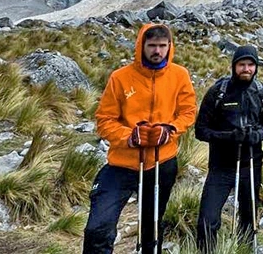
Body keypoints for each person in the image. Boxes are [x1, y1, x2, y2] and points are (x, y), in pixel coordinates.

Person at [83, 23, 197, 254]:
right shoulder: (120, 78)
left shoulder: (179, 75)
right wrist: (130, 137)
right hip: (122, 163)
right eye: (152, 45)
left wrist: (169, 130)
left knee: (153, 227)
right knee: (98, 228)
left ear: (169, 46)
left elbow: (188, 112)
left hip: (161, 162)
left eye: (162, 46)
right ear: (141, 46)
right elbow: (105, 120)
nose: (157, 51)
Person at [194, 45, 263, 252]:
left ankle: (244, 250)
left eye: (250, 65)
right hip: (220, 167)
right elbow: (201, 130)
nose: (246, 69)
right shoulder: (218, 92)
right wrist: (228, 137)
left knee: (248, 219)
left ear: (256, 67)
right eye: (241, 65)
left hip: (251, 164)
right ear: (234, 66)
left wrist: (257, 135)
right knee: (207, 220)